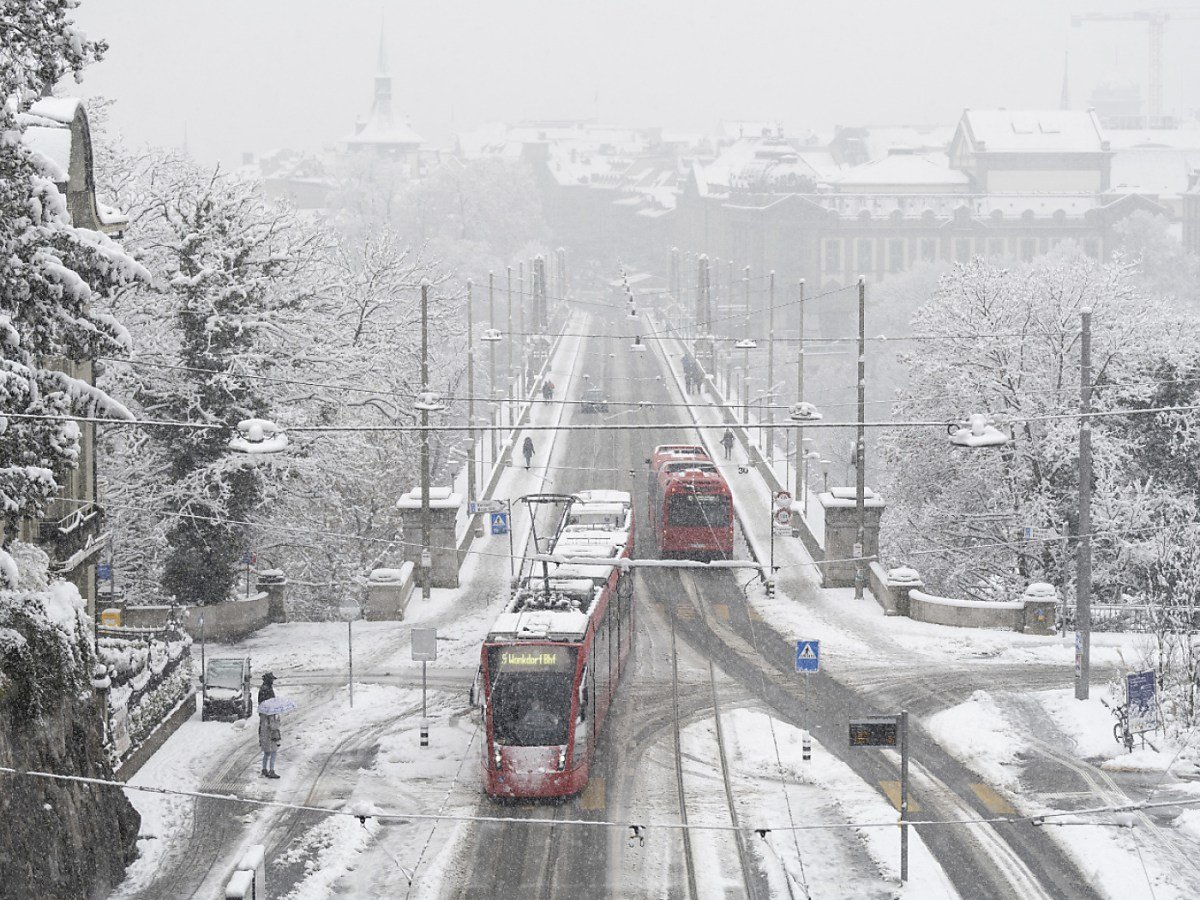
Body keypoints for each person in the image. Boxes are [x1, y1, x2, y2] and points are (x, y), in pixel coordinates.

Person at [259, 709, 281, 778]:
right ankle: (271, 771)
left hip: (264, 737)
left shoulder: (262, 716)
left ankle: (264, 769)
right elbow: (273, 727)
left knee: (266, 754)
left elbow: (260, 728)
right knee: (273, 753)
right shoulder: (271, 715)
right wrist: (278, 721)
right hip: (271, 738)